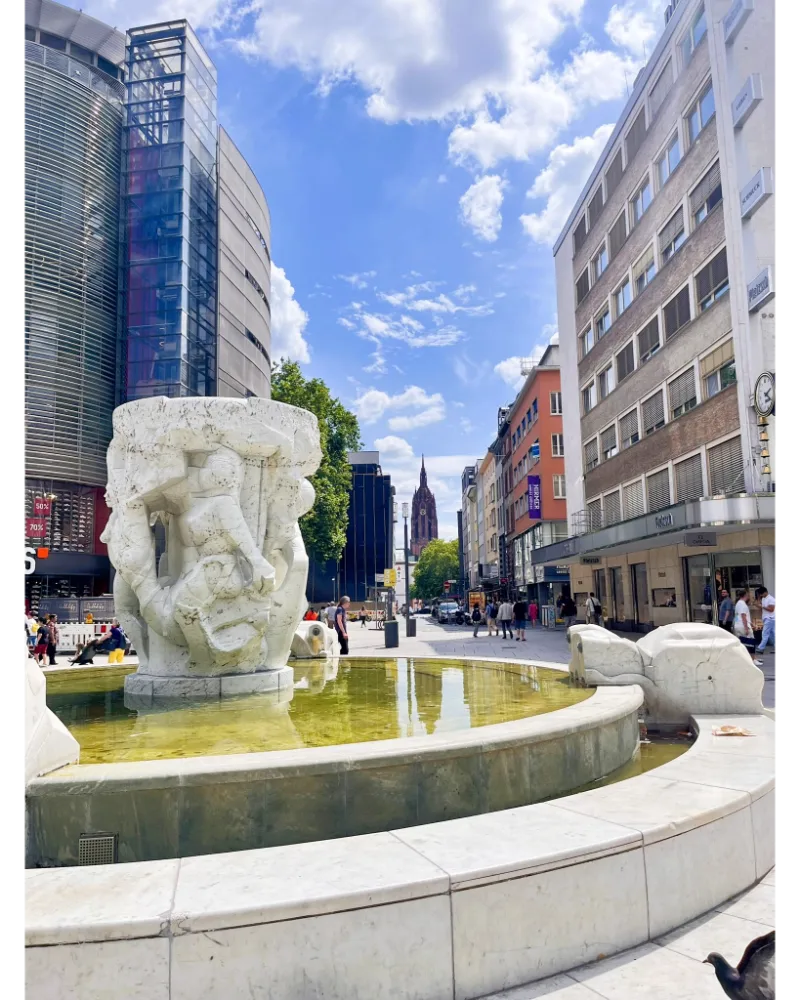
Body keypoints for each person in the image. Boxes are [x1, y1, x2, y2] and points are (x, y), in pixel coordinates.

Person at [733, 589, 762, 666]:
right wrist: (746, 628)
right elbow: (743, 616)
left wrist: (751, 624)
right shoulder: (742, 604)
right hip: (743, 626)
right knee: (750, 642)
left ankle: (751, 658)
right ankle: (753, 659)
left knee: (743, 643)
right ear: (746, 595)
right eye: (748, 595)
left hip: (739, 625)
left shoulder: (738, 603)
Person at [754, 586, 776, 655]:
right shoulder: (763, 598)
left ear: (766, 592)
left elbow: (771, 609)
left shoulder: (771, 599)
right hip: (767, 618)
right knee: (773, 634)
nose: (761, 595)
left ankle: (761, 648)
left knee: (765, 633)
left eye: (761, 594)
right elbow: (762, 608)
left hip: (770, 618)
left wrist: (762, 606)